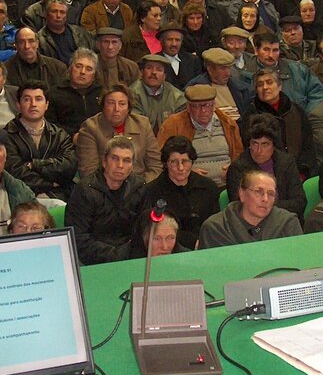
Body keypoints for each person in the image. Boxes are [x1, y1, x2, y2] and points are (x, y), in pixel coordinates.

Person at [66, 136, 150, 264]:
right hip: (92, 257)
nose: (120, 165)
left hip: (130, 256)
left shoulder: (139, 187)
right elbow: (78, 239)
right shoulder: (85, 191)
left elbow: (144, 229)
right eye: (115, 158)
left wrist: (130, 252)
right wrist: (116, 255)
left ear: (132, 166)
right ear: (104, 161)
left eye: (126, 160)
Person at [156, 84, 244, 188]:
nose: (203, 111)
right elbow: (161, 159)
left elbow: (239, 155)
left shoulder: (228, 123)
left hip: (227, 185)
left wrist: (233, 169)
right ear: (188, 107)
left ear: (214, 105)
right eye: (197, 106)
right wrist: (186, 170)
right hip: (190, 186)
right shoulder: (172, 125)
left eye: (207, 105)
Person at [2, 81, 77, 201]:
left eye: (38, 99)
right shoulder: (7, 135)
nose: (33, 104)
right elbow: (14, 173)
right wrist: (50, 184)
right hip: (20, 197)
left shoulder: (60, 135)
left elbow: (68, 167)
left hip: (59, 196)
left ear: (47, 105)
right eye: (27, 99)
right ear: (18, 105)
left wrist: (35, 164)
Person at [143, 136, 221, 251]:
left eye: (185, 161)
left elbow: (215, 223)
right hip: (171, 248)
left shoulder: (209, 187)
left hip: (207, 246)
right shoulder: (152, 192)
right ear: (165, 163)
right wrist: (193, 243)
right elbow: (156, 231)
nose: (180, 167)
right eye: (174, 162)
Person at [225, 114, 307, 220]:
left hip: (286, 220)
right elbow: (239, 207)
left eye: (265, 144)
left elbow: (299, 202)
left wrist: (265, 207)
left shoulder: (287, 162)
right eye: (255, 143)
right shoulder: (237, 168)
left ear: (274, 145)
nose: (259, 150)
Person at [75, 84, 162, 182]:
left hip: (141, 186)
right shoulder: (90, 128)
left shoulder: (143, 124)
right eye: (111, 103)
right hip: (104, 188)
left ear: (129, 107)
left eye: (122, 104)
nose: (116, 109)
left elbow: (155, 166)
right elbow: (89, 171)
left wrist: (142, 188)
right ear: (102, 106)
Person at [198, 170, 303, 248]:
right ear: (242, 194)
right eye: (258, 192)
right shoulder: (216, 228)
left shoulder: (288, 223)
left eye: (271, 194)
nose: (265, 199)